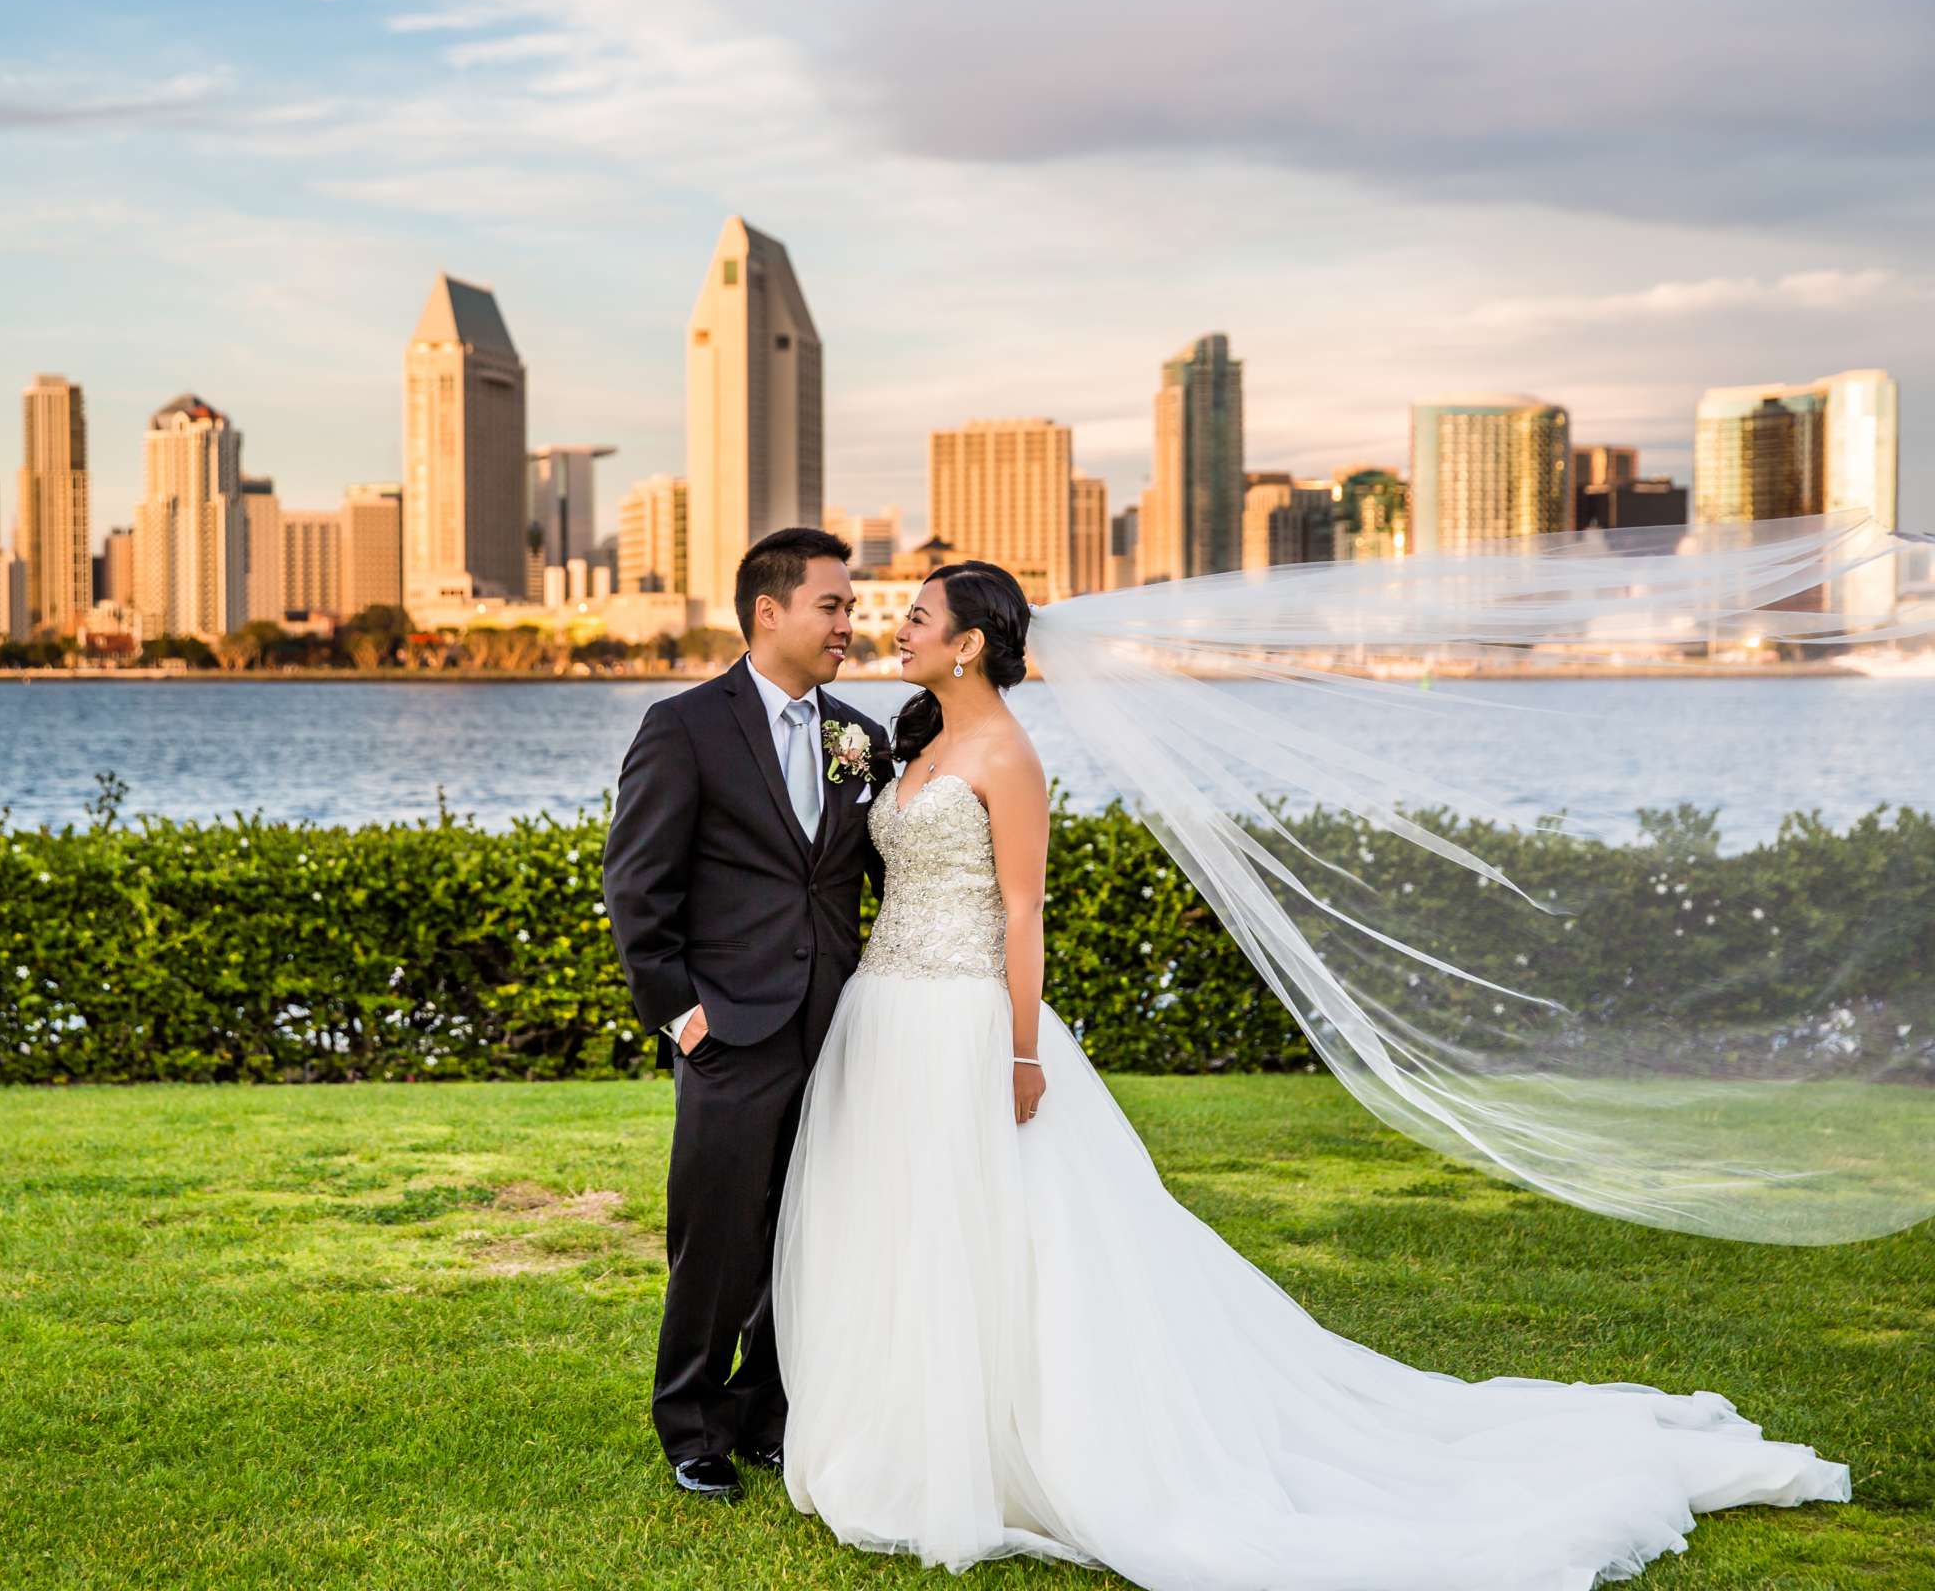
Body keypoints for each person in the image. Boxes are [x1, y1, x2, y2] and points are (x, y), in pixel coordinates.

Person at [769, 560, 1850, 1590]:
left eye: (918, 617)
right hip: (886, 1014)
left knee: (1001, 1237)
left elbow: (1020, 911)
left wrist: (1018, 1050)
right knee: (907, 1227)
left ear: (967, 646)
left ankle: (1011, 1451)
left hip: (966, 1020)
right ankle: (902, 1436)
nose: (895, 628)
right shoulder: (905, 743)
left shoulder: (1007, 755)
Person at [600, 526, 892, 1501]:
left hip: (836, 1026)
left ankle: (768, 1411)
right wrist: (679, 1014)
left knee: (806, 1228)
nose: (849, 623)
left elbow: (876, 876)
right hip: (729, 1029)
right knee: (716, 1239)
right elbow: (638, 886)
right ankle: (690, 1424)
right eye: (833, 605)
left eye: (850, 607)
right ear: (769, 612)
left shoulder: (864, 737)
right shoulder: (683, 727)